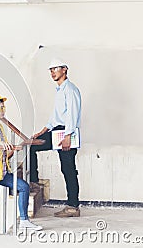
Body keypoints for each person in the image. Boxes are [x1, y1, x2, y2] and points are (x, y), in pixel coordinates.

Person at [0, 93, 42, 233]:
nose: (3, 109)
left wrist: (8, 149)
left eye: (3, 107)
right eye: (1, 107)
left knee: (23, 187)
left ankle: (24, 220)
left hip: (2, 171)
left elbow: (1, 150)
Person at [30, 58, 81, 217]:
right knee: (32, 145)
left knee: (69, 170)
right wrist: (42, 131)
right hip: (57, 131)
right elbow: (55, 117)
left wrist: (68, 136)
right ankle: (34, 182)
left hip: (66, 133)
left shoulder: (70, 90)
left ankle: (73, 206)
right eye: (50, 70)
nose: (52, 72)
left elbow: (72, 114)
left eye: (55, 69)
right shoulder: (59, 90)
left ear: (64, 69)